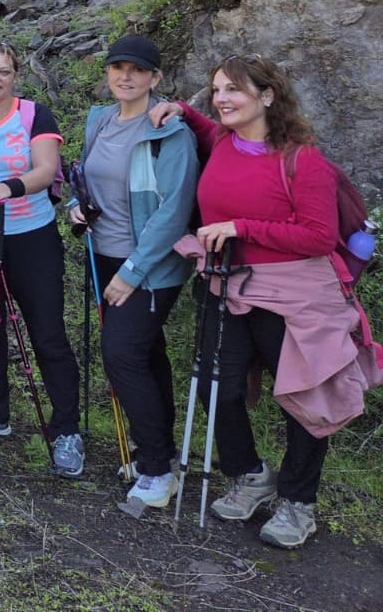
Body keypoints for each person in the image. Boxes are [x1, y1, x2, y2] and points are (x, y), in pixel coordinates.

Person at [152, 55, 381, 549]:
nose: (222, 99)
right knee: (220, 389)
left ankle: (298, 503)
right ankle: (251, 475)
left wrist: (241, 228)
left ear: (267, 96)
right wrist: (180, 110)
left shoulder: (304, 160)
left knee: (305, 396)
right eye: (216, 90)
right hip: (226, 283)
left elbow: (319, 237)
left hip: (295, 293)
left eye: (233, 90)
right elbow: (205, 122)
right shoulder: (219, 141)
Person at [72, 35, 199, 508]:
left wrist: (132, 271)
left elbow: (173, 211)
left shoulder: (170, 132)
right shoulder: (100, 121)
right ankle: (159, 452)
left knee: (121, 353)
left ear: (155, 78)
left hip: (148, 265)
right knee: (147, 354)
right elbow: (84, 178)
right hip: (102, 254)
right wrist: (74, 209)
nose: (125, 76)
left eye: (137, 70)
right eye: (117, 67)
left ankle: (155, 470)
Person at [0, 42, 84, 477]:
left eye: (4, 71)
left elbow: (46, 168)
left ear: (14, 76)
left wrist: (9, 187)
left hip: (30, 237)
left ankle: (66, 430)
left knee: (47, 334)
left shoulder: (32, 115)